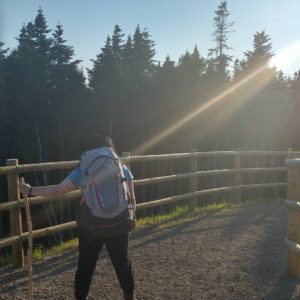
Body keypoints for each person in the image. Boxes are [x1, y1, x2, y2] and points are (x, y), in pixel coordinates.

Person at [19, 136, 137, 300]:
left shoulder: (83, 169)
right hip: (119, 222)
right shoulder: (119, 166)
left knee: (85, 266)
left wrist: (30, 189)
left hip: (91, 227)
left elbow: (57, 190)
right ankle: (130, 297)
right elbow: (131, 196)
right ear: (109, 148)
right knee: (122, 262)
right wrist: (132, 216)